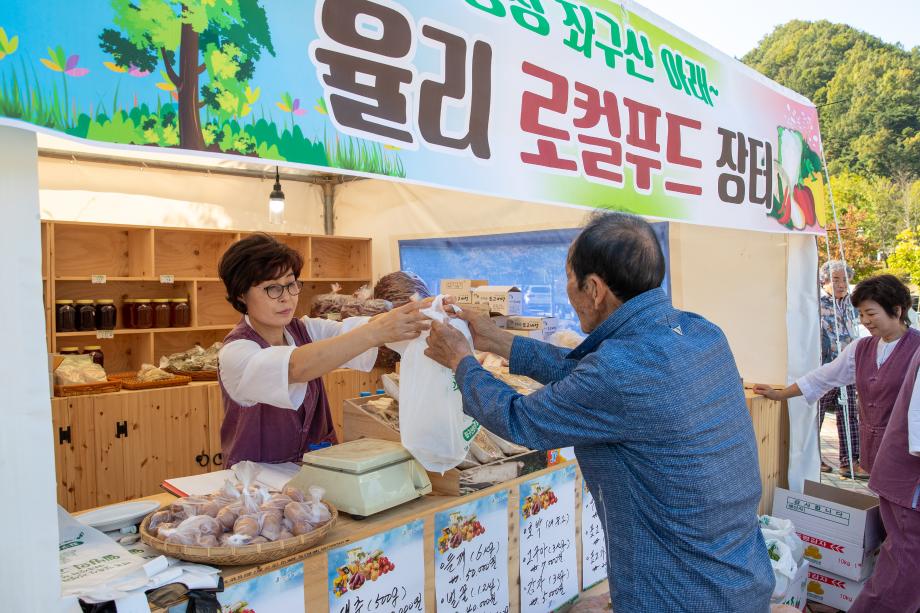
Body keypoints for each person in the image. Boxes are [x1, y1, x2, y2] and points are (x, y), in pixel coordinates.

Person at [425, 212, 774, 612]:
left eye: (569, 279)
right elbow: (588, 376)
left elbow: (519, 419)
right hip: (740, 573)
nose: (568, 290)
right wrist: (498, 340)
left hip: (678, 593)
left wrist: (460, 361)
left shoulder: (619, 370)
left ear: (593, 288)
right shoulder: (700, 331)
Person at [217, 233, 430, 466]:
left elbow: (350, 333)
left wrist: (421, 317)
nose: (286, 298)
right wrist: (377, 331)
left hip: (315, 473)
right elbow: (295, 367)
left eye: (290, 285)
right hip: (255, 487)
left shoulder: (306, 330)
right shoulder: (236, 352)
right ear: (241, 294)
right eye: (272, 289)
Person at [755, 275, 920, 475]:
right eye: (860, 314)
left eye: (870, 313)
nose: (865, 321)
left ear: (896, 310)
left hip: (909, 453)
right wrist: (780, 394)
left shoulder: (916, 348)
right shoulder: (861, 348)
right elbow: (823, 376)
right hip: (875, 448)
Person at [848, 345, 920, 612]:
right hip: (908, 482)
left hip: (902, 477)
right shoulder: (863, 348)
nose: (866, 320)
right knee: (900, 578)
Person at [816, 260, 863, 478]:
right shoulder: (816, 303)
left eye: (844, 279)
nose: (841, 284)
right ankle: (814, 458)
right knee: (817, 414)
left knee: (850, 415)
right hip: (825, 366)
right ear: (824, 281)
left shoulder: (853, 305)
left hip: (849, 366)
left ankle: (850, 462)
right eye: (835, 279)